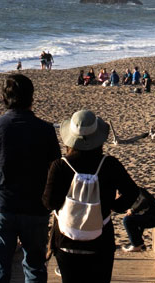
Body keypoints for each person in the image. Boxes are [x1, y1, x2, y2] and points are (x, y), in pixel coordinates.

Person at [0, 74, 60, 283]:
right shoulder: (45, 130)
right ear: (31, 97)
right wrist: (55, 205)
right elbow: (54, 170)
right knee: (35, 268)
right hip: (36, 208)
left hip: (1, 207)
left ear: (4, 98)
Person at [43, 109, 139, 283]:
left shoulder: (60, 166)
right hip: (101, 238)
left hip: (66, 239)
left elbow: (49, 202)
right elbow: (132, 192)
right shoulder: (109, 164)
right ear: (98, 137)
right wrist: (113, 206)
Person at [121, 185, 155, 252]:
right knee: (133, 218)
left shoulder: (138, 192)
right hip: (151, 217)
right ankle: (139, 244)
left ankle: (136, 245)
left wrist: (132, 210)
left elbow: (144, 202)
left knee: (127, 220)